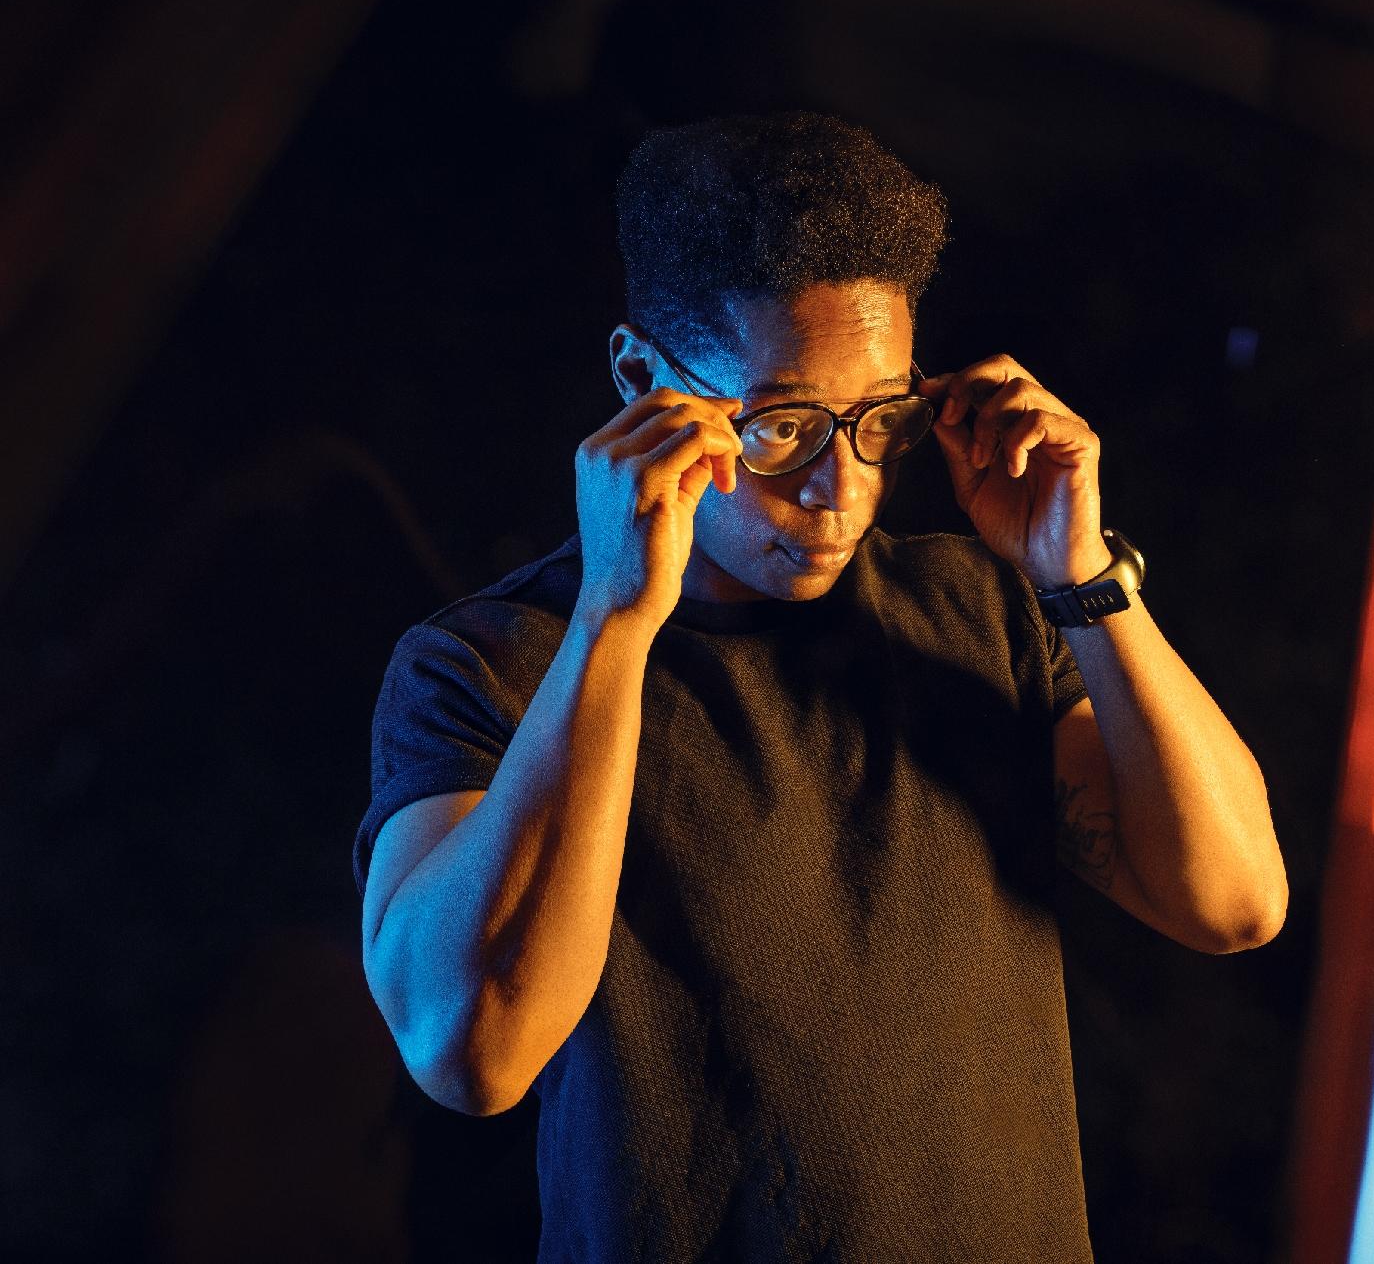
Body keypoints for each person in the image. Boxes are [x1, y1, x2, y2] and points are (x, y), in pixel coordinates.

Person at [353, 110, 1286, 1263]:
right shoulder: (495, 663)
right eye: (784, 426)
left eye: (881, 418)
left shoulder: (983, 611)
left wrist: (1080, 572)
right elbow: (473, 1050)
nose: (839, 488)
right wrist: (614, 617)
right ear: (642, 378)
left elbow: (1235, 900)